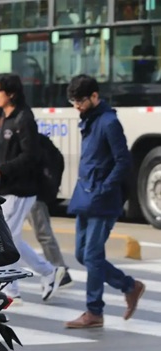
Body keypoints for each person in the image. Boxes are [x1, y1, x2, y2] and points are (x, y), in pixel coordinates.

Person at [0, 73, 65, 303]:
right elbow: (8, 154)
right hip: (9, 188)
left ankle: (15, 288)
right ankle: (46, 273)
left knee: (7, 239)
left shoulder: (24, 119)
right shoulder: (8, 118)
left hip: (21, 189)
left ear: (11, 93)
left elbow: (30, 156)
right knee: (10, 238)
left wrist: (0, 169)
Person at [64, 74, 144, 328]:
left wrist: (104, 188)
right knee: (82, 254)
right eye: (73, 101)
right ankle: (130, 286)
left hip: (102, 199)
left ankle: (94, 311)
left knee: (93, 255)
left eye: (80, 101)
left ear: (95, 97)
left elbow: (124, 161)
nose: (77, 106)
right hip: (87, 196)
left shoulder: (109, 122)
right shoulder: (90, 119)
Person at [0, 106, 73, 289]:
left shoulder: (26, 136)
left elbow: (25, 162)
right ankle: (50, 272)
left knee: (30, 234)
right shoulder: (9, 137)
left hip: (26, 191)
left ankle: (56, 272)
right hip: (18, 192)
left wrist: (1, 170)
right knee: (13, 237)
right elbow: (6, 158)